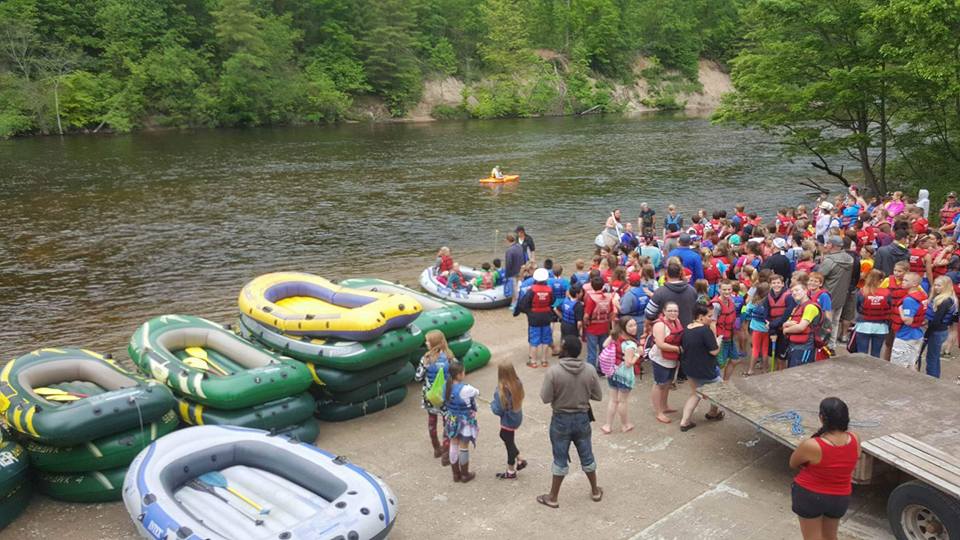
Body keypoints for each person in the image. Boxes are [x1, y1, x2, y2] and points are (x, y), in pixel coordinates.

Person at [537, 336, 603, 509]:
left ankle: (553, 497)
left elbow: (545, 398)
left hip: (560, 420)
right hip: (582, 418)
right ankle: (595, 491)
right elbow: (598, 396)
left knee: (560, 458)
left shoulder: (554, 371)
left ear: (564, 350)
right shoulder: (589, 369)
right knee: (587, 455)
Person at [790, 397, 860, 540]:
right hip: (840, 497)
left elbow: (793, 463)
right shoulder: (855, 438)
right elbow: (854, 458)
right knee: (831, 537)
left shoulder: (812, 445)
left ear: (822, 418)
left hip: (810, 495)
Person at [678, 304, 724, 431]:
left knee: (695, 394)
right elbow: (714, 351)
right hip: (705, 369)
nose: (711, 318)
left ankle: (685, 422)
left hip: (689, 368)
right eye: (709, 316)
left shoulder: (687, 328)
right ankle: (713, 413)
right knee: (719, 391)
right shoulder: (705, 330)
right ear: (700, 317)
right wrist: (718, 342)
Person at [414, 330, 453, 464]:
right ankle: (446, 456)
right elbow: (457, 375)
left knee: (432, 421)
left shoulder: (426, 359)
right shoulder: (450, 357)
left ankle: (437, 448)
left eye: (427, 341)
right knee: (447, 424)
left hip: (430, 396)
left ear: (433, 343)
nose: (426, 343)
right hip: (446, 396)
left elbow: (418, 377)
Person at [601, 316, 640, 434]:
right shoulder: (631, 345)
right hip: (624, 375)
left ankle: (607, 425)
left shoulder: (615, 337)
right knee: (622, 401)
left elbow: (604, 345)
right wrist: (638, 354)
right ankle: (625, 425)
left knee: (613, 400)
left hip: (612, 371)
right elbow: (629, 363)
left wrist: (613, 333)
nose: (634, 328)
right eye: (631, 326)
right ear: (624, 327)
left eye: (635, 325)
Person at [490, 362, 527, 479]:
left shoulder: (501, 391)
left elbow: (498, 410)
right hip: (517, 415)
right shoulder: (517, 383)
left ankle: (511, 471)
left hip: (508, 420)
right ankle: (520, 459)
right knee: (506, 437)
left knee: (508, 441)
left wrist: (492, 405)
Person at [444, 362, 479, 483]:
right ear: (459, 375)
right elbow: (477, 392)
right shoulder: (466, 389)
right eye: (463, 372)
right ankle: (465, 474)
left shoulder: (446, 386)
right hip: (465, 422)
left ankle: (455, 474)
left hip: (451, 420)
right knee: (464, 447)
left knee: (453, 444)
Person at [649, 301, 683, 424]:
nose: (673, 313)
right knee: (659, 384)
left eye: (675, 311)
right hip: (660, 359)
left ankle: (664, 406)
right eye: (670, 311)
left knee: (668, 383)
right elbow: (660, 344)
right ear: (664, 312)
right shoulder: (659, 325)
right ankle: (658, 412)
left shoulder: (677, 322)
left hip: (672, 359)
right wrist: (679, 349)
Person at [818, 236, 854, 347]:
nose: (825, 245)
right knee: (835, 323)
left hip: (827, 296)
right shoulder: (850, 259)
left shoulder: (829, 260)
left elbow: (819, 277)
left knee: (824, 323)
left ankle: (823, 347)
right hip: (841, 295)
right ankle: (831, 346)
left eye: (827, 243)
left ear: (832, 245)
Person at [890, 272, 927, 369]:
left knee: (897, 366)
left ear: (915, 284)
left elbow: (908, 321)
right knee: (911, 365)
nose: (903, 282)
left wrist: (900, 310)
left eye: (906, 280)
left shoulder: (909, 300)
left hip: (905, 336)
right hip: (917, 334)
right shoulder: (922, 296)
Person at [924, 275, 958, 378]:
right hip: (940, 330)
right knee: (934, 357)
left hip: (937, 331)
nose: (936, 287)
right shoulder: (949, 299)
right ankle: (935, 376)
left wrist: (927, 333)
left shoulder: (945, 301)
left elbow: (937, 320)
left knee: (931, 358)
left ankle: (932, 378)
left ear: (946, 286)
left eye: (939, 285)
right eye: (935, 285)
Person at [645, 260, 698, 326]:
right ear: (680, 274)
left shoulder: (660, 292)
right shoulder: (692, 290)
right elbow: (697, 310)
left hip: (667, 332)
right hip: (689, 330)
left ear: (666, 274)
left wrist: (647, 327)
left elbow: (649, 313)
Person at [782, 283, 822, 367]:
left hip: (805, 347)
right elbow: (785, 324)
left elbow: (801, 327)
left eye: (797, 290)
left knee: (799, 373)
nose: (794, 293)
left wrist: (786, 330)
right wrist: (787, 325)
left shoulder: (810, 307)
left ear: (805, 291)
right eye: (792, 292)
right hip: (793, 346)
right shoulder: (796, 308)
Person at [854, 269, 891, 358]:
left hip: (863, 325)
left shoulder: (862, 292)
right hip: (881, 326)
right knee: (876, 354)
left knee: (862, 354)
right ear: (881, 280)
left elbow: (857, 307)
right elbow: (890, 307)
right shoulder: (887, 293)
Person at [583, 275, 616, 373]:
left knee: (592, 351)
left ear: (592, 286)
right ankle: (602, 369)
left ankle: (590, 372)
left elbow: (586, 315)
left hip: (592, 327)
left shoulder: (591, 298)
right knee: (603, 349)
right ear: (603, 286)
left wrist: (586, 324)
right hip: (604, 326)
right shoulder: (608, 297)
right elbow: (612, 312)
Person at [711, 280, 740, 381]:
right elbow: (712, 323)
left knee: (735, 360)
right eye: (724, 289)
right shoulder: (716, 306)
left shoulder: (730, 301)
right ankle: (716, 385)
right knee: (719, 364)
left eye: (729, 289)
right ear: (719, 290)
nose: (727, 292)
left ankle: (725, 382)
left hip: (730, 336)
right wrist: (715, 340)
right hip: (721, 338)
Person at [744, 282, 771, 376]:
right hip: (767, 329)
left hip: (756, 329)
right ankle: (765, 369)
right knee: (765, 350)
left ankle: (751, 370)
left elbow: (747, 311)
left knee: (755, 349)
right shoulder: (770, 302)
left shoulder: (754, 302)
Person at [768, 274, 794, 371]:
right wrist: (772, 331)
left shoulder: (788, 297)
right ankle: (774, 372)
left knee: (782, 356)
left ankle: (781, 373)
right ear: (770, 285)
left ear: (783, 284)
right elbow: (766, 313)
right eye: (774, 283)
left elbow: (786, 316)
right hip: (774, 329)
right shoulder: (769, 296)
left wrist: (772, 325)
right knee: (773, 354)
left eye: (778, 283)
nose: (776, 285)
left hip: (784, 329)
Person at [504, 233, 524, 308]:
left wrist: (507, 275)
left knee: (515, 288)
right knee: (519, 286)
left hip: (513, 272)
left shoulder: (509, 250)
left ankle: (515, 303)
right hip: (521, 269)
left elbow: (508, 263)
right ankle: (519, 300)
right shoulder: (519, 246)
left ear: (507, 240)